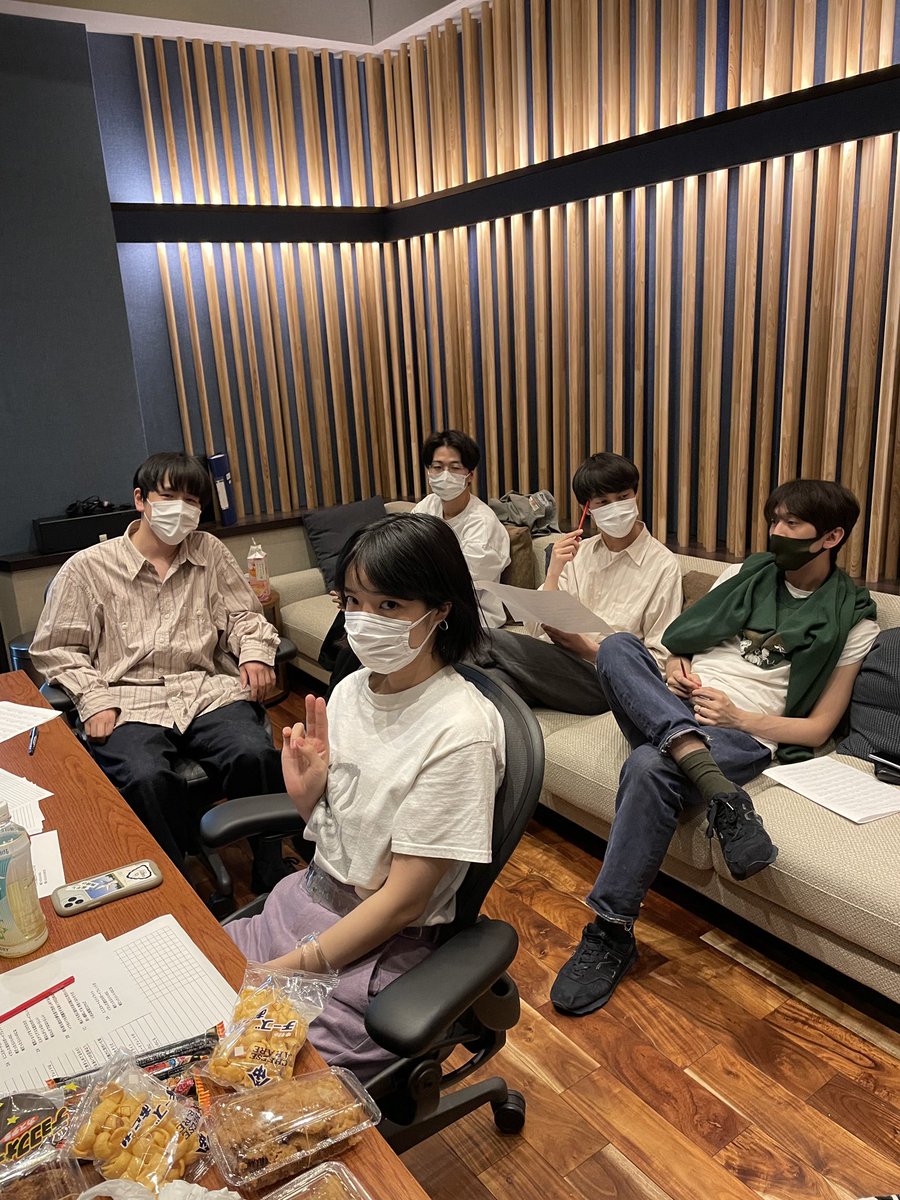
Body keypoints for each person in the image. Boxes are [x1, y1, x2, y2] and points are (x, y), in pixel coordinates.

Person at [551, 479, 879, 1016]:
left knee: (648, 764)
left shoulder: (854, 620)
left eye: (792, 523)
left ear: (832, 536)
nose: (777, 531)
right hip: (676, 705)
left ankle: (610, 932)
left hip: (741, 733)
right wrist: (678, 666)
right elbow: (685, 640)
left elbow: (820, 729)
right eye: (774, 519)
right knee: (617, 646)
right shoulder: (744, 574)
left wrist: (739, 717)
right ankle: (716, 787)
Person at [226, 513, 505, 1080]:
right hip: (299, 903)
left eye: (389, 605)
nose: (362, 620)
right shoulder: (353, 688)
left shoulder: (460, 732)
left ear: (441, 610)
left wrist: (289, 969)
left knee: (249, 1087)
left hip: (373, 953)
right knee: (178, 1022)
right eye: (352, 601)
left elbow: (402, 901)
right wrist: (309, 797)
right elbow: (343, 837)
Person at [31, 452, 286, 885]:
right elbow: (57, 647)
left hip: (205, 689)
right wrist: (92, 698)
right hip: (128, 697)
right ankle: (174, 880)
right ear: (141, 499)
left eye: (192, 500)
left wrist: (255, 652)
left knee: (254, 753)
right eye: (168, 497)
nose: (181, 509)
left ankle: (270, 862)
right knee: (145, 777)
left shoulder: (209, 551)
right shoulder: (87, 568)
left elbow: (243, 615)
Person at [474, 451, 683, 714]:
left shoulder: (663, 565)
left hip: (609, 680)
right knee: (487, 683)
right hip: (561, 665)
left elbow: (661, 661)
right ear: (587, 509)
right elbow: (536, 628)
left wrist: (591, 651)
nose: (615, 507)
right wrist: (553, 572)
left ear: (635, 495)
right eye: (603, 502)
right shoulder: (579, 553)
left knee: (485, 638)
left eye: (623, 497)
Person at [412, 429, 511, 628]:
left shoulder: (483, 523)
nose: (445, 475)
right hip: (428, 606)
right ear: (429, 471)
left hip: (472, 618)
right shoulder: (427, 506)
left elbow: (457, 582)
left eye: (455, 467)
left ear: (470, 475)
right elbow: (402, 552)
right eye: (437, 467)